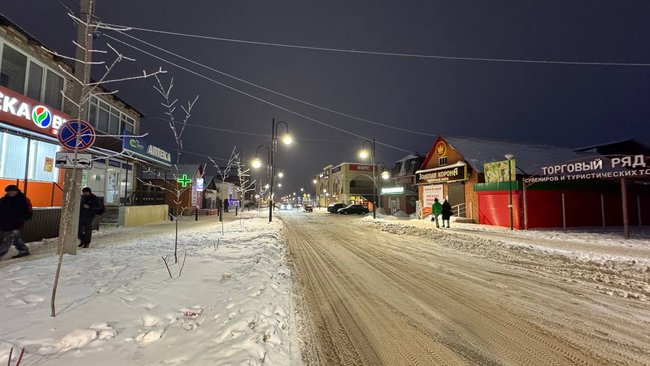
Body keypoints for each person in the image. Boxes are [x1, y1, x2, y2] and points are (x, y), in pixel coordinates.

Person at [0, 185, 32, 259]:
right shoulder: (4, 200)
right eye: (8, 192)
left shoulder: (23, 200)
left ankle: (1, 253)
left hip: (15, 224)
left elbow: (28, 211)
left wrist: (22, 219)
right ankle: (24, 250)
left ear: (16, 191)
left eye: (11, 192)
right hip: (4, 223)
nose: (9, 193)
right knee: (15, 239)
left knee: (7, 240)